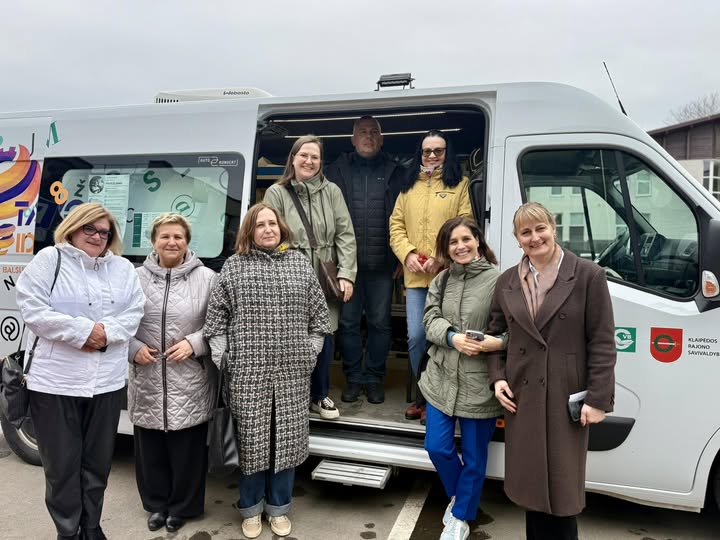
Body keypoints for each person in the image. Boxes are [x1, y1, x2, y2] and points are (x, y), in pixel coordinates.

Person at [487, 202, 616, 540]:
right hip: (523, 395)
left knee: (562, 490)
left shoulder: (588, 275)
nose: (535, 237)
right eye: (525, 232)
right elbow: (495, 336)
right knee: (532, 488)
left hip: (565, 395)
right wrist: (497, 378)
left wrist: (598, 399)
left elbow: (602, 341)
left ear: (553, 228)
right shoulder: (506, 282)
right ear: (517, 239)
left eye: (540, 228)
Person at [15, 202, 145, 540]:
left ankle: (91, 527)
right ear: (73, 227)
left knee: (97, 466)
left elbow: (134, 312)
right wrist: (83, 333)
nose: (97, 237)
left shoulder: (123, 268)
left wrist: (104, 334)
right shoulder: (49, 260)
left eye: (105, 232)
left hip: (106, 384)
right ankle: (68, 531)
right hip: (55, 383)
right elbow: (33, 308)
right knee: (62, 469)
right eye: (90, 228)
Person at [203, 203, 330, 539]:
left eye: (272, 223)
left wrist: (310, 352)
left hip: (293, 373)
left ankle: (279, 508)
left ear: (281, 227)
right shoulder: (234, 267)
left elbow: (319, 316)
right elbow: (216, 318)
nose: (268, 229)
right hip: (247, 373)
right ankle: (250, 510)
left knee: (286, 443)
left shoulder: (299, 264)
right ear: (250, 231)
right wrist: (224, 357)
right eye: (260, 225)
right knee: (251, 442)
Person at [128, 213, 217, 533]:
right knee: (149, 447)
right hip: (147, 375)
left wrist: (195, 344)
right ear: (153, 241)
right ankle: (156, 505)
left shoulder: (207, 279)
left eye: (178, 236)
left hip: (189, 375)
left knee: (187, 449)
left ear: (187, 242)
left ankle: (182, 507)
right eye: (165, 236)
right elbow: (117, 322)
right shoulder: (133, 278)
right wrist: (133, 348)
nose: (171, 242)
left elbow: (220, 325)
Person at [420, 216, 506, 540]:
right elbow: (429, 319)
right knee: (436, 447)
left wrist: (496, 343)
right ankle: (462, 498)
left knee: (474, 457)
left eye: (466, 239)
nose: (460, 246)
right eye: (453, 242)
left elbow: (514, 331)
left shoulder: (499, 280)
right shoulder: (441, 280)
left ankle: (460, 517)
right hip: (441, 377)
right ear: (446, 248)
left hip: (479, 382)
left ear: (478, 240)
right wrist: (452, 337)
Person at [263, 135, 357, 420]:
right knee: (292, 336)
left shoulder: (332, 191)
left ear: (320, 162)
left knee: (324, 334)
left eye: (315, 157)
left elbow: (345, 235)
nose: (309, 161)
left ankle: (320, 395)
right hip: (289, 272)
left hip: (325, 274)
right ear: (293, 159)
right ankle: (292, 394)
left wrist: (347, 274)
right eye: (304, 155)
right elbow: (269, 235)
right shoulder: (277, 193)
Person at [389, 129, 472, 423]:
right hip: (415, 279)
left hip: (447, 278)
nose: (433, 155)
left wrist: (441, 257)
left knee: (444, 338)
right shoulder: (407, 186)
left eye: (438, 150)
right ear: (420, 154)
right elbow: (396, 226)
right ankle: (423, 396)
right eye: (427, 151)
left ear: (447, 153)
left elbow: (465, 226)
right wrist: (408, 254)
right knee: (416, 337)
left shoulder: (459, 184)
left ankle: (438, 401)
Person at [325, 116, 405, 404]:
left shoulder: (396, 172)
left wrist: (402, 257)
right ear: (353, 139)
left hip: (383, 266)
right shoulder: (334, 171)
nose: (368, 137)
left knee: (380, 324)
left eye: (373, 132)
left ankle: (373, 378)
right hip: (347, 268)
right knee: (348, 323)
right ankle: (354, 378)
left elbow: (405, 217)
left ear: (381, 140)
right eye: (362, 132)